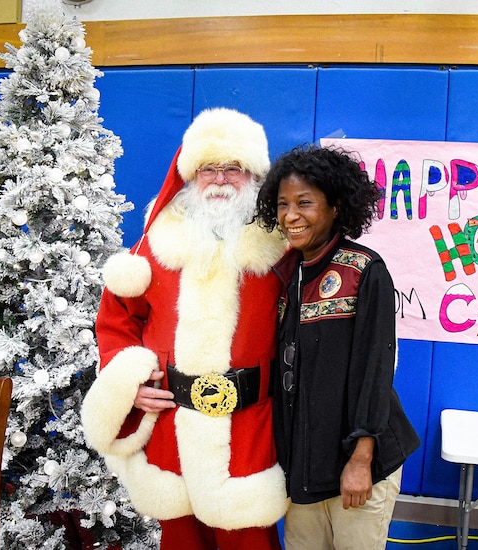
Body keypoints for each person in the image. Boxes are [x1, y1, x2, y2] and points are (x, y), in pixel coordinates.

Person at [81, 108, 289, 550]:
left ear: (253, 175)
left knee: (248, 539)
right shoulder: (158, 245)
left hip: (250, 429)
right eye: (207, 168)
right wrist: (128, 385)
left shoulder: (281, 248)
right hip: (171, 430)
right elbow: (116, 317)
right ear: (190, 177)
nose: (219, 179)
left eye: (232, 168)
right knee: (181, 540)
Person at [255, 144, 421, 550]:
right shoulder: (285, 273)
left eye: (305, 203)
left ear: (336, 207)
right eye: (282, 204)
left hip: (357, 465)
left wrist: (360, 460)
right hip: (305, 467)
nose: (290, 216)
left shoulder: (365, 270)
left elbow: (374, 371)